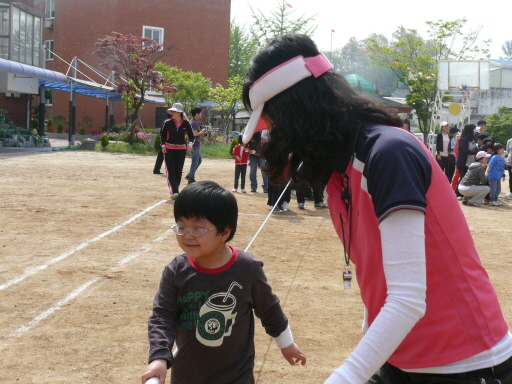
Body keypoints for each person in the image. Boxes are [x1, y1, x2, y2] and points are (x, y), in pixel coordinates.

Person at [241, 34, 512, 384]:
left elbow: (408, 298)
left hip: (465, 365)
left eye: (271, 123)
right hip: (401, 361)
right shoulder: (341, 173)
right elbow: (380, 287)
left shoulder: (388, 153)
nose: (272, 136)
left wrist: (346, 377)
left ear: (297, 110)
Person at [141, 181, 306, 384]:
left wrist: (286, 344)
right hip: (187, 376)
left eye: (197, 228)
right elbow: (162, 316)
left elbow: (269, 309)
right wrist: (159, 357)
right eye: (181, 226)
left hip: (235, 377)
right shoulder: (176, 271)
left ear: (224, 232)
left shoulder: (247, 269)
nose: (187, 235)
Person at [160, 103, 194, 199]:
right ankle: (174, 191)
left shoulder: (186, 123)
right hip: (168, 149)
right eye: (172, 111)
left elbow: (191, 136)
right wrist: (163, 145)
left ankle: (175, 190)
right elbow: (162, 135)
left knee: (178, 171)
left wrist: (190, 144)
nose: (172, 113)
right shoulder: (167, 123)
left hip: (181, 150)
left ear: (180, 113)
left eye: (174, 111)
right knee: (171, 170)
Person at [185, 107, 208, 184]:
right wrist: (202, 132)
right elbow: (195, 134)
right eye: (200, 113)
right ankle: (190, 179)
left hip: (194, 144)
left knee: (199, 160)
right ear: (197, 114)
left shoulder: (192, 121)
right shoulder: (195, 123)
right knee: (195, 162)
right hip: (195, 144)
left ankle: (189, 175)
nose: (201, 115)